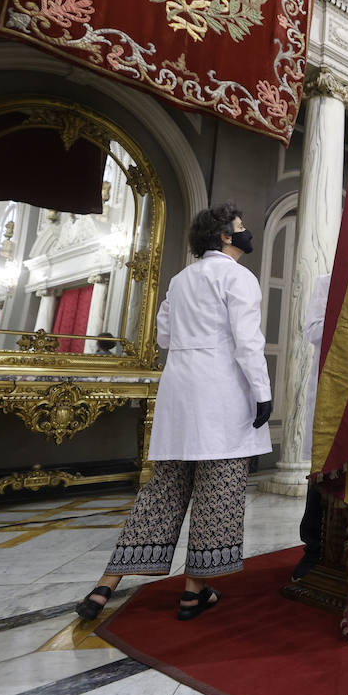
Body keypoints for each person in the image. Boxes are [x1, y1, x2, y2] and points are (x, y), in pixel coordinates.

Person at [74, 203, 273, 622]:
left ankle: (103, 587)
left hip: (178, 390)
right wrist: (263, 393)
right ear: (225, 236)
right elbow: (247, 342)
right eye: (242, 227)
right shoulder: (237, 276)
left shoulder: (181, 279)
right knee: (218, 490)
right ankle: (192, 593)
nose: (246, 231)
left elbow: (164, 335)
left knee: (162, 491)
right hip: (221, 391)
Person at [291, 273, 331, 582]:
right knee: (323, 468)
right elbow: (313, 329)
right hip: (333, 385)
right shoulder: (326, 281)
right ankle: (314, 547)